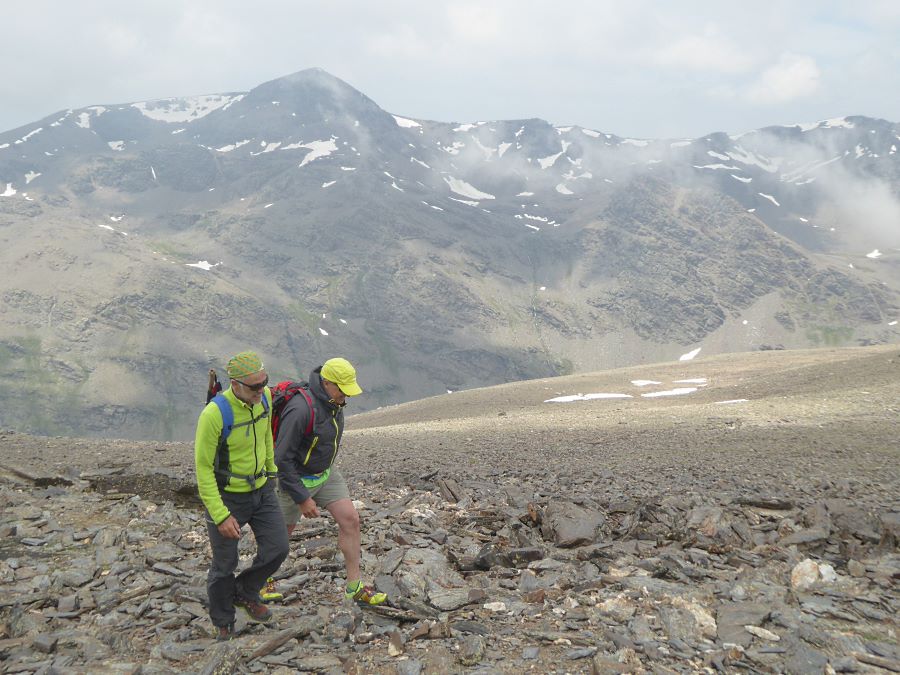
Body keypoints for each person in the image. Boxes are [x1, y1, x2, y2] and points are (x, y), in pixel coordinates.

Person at [270, 357, 387, 606]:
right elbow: (282, 459)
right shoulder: (300, 410)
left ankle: (354, 587)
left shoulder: (334, 402)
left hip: (325, 473)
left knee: (351, 520)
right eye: (343, 390)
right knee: (280, 538)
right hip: (294, 480)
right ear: (326, 383)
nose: (347, 397)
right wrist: (302, 497)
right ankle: (260, 583)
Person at [194, 350, 289, 640]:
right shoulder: (214, 414)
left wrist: (271, 472)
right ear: (235, 384)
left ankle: (246, 592)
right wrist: (221, 514)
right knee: (224, 565)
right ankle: (223, 620)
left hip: (262, 491)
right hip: (228, 498)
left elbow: (266, 438)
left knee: (278, 548)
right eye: (255, 386)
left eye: (265, 383)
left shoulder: (266, 398)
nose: (262, 390)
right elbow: (203, 469)